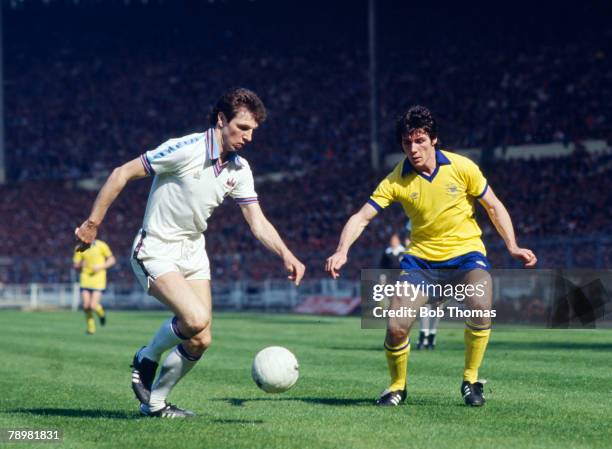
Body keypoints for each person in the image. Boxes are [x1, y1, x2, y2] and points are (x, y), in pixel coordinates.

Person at [75, 88, 305, 418]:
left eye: (253, 130)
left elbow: (257, 220)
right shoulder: (186, 149)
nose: (249, 137)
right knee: (195, 319)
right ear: (221, 120)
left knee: (201, 338)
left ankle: (154, 404)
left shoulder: (239, 170)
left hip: (194, 252)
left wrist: (286, 253)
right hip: (155, 248)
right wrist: (93, 223)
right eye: (242, 128)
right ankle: (147, 356)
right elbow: (121, 173)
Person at [325, 105, 536, 407]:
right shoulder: (396, 180)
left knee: (480, 304)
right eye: (407, 142)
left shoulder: (462, 167)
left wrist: (512, 245)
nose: (413, 148)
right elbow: (361, 217)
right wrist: (342, 250)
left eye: (420, 140)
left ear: (434, 140)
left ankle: (471, 379)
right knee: (396, 325)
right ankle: (397, 386)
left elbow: (493, 205)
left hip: (466, 256)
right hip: (422, 263)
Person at [72, 239, 116, 334]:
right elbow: (75, 265)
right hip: (85, 279)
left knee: (93, 305)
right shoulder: (79, 247)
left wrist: (100, 267)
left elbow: (112, 260)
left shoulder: (101, 245)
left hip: (98, 279)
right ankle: (91, 328)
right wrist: (80, 264)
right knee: (86, 306)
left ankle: (101, 313)